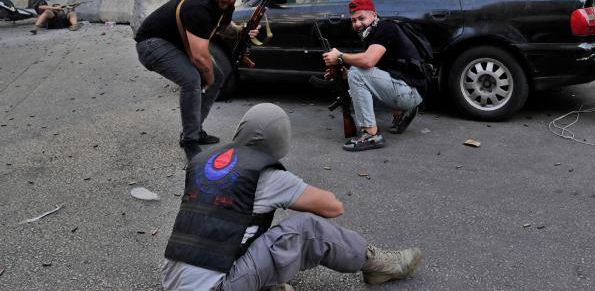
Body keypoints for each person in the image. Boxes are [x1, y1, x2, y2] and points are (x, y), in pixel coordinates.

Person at [161, 103, 423, 291]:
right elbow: (333, 207)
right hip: (217, 287)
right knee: (306, 229)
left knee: (248, 228)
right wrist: (289, 188)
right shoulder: (267, 177)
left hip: (171, 281)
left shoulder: (202, 162)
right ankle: (377, 264)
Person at [135, 0, 259, 159]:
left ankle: (194, 129)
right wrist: (208, 78)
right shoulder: (199, 8)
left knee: (216, 77)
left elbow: (224, 27)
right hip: (151, 45)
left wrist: (243, 31)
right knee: (192, 79)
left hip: (173, 45)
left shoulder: (225, 6)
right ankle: (190, 141)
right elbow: (200, 57)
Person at [321, 0, 424, 152]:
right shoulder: (371, 33)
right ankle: (400, 111)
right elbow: (373, 73)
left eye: (361, 18)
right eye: (353, 20)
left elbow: (368, 62)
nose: (357, 24)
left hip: (410, 91)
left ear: (374, 15)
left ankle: (371, 134)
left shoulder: (385, 27)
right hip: (404, 87)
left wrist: (340, 56)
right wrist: (343, 74)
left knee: (356, 73)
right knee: (350, 94)